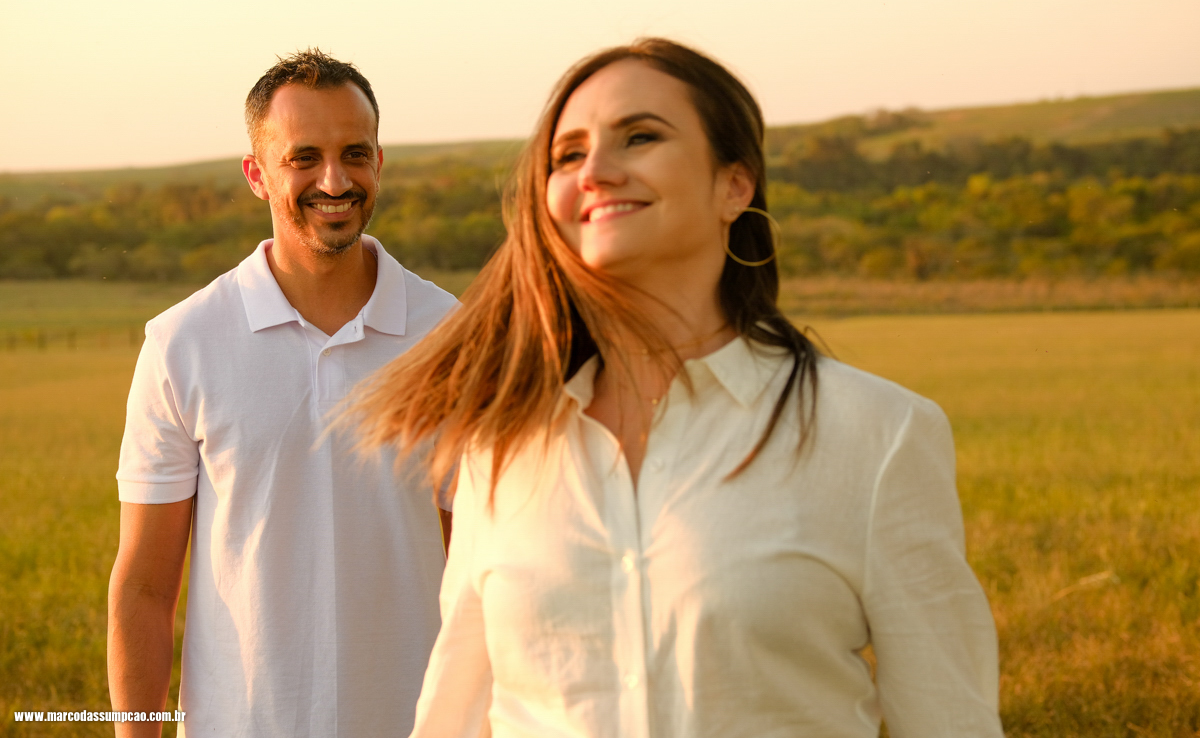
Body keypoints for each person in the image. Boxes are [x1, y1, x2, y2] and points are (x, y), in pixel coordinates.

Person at [350, 38, 1004, 737]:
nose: (595, 171)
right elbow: (454, 717)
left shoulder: (875, 435)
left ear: (734, 185)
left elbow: (951, 722)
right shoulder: (502, 442)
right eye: (568, 155)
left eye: (640, 136)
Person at [107, 49, 456, 738]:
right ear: (257, 175)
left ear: (379, 163)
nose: (335, 180)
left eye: (355, 154)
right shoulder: (183, 342)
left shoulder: (451, 335)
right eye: (304, 158)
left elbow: (482, 565)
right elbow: (144, 587)